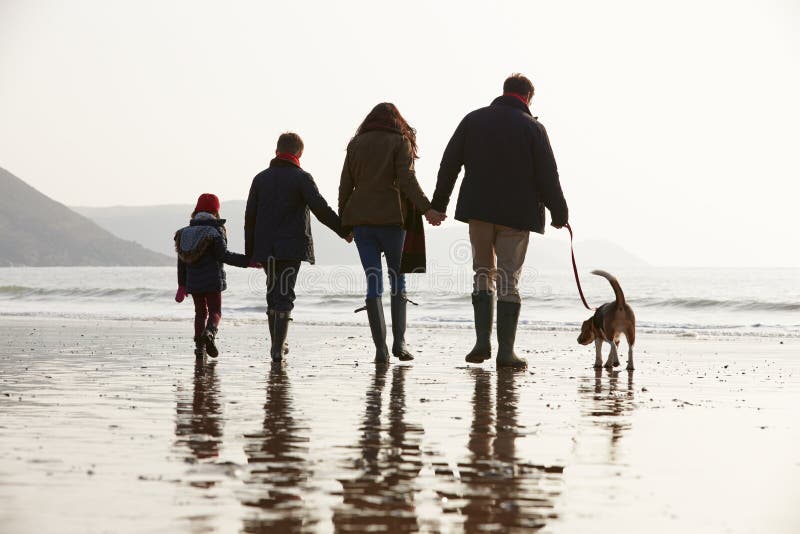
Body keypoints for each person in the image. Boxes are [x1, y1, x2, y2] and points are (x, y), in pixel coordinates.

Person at [431, 74, 569, 369]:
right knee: (508, 279)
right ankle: (506, 353)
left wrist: (438, 205)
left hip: (479, 210)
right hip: (517, 215)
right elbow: (548, 174)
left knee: (482, 272)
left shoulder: (474, 120)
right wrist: (560, 214)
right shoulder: (533, 128)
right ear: (529, 96)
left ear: (504, 92)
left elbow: (449, 163)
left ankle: (482, 342)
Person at [339, 103, 445, 364]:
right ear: (398, 120)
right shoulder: (400, 142)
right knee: (398, 280)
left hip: (362, 222)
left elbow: (345, 184)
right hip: (393, 222)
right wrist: (427, 209)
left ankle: (380, 350)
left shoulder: (356, 144)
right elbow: (407, 179)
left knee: (373, 282)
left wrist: (344, 223)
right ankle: (399, 342)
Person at [245, 132, 350, 363]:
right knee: (285, 296)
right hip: (291, 248)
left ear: (276, 152)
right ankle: (277, 348)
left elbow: (249, 217)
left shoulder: (260, 179)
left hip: (266, 248)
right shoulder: (301, 178)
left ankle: (277, 345)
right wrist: (343, 231)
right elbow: (320, 209)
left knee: (273, 294)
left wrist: (250, 253)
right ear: (299, 153)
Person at [174, 193, 253, 359]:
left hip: (193, 282)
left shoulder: (183, 233)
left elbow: (181, 262)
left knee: (200, 313)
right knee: (215, 312)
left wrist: (181, 285)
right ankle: (209, 333)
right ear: (216, 211)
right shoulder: (215, 231)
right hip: (212, 280)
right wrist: (248, 262)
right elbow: (224, 255)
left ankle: (198, 347)